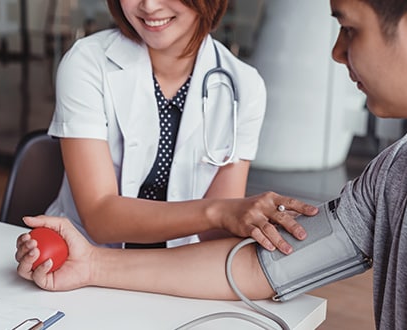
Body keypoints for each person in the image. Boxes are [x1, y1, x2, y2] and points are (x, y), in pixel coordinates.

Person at [16, 0, 407, 328]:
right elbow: (261, 267)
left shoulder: (242, 85)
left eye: (349, 29)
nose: (337, 53)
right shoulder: (398, 171)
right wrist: (94, 265)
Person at [43, 0, 317, 252]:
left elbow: (217, 232)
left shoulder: (244, 85)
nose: (149, 6)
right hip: (79, 254)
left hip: (175, 265)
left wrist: (261, 225)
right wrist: (219, 212)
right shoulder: (87, 62)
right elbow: (100, 217)